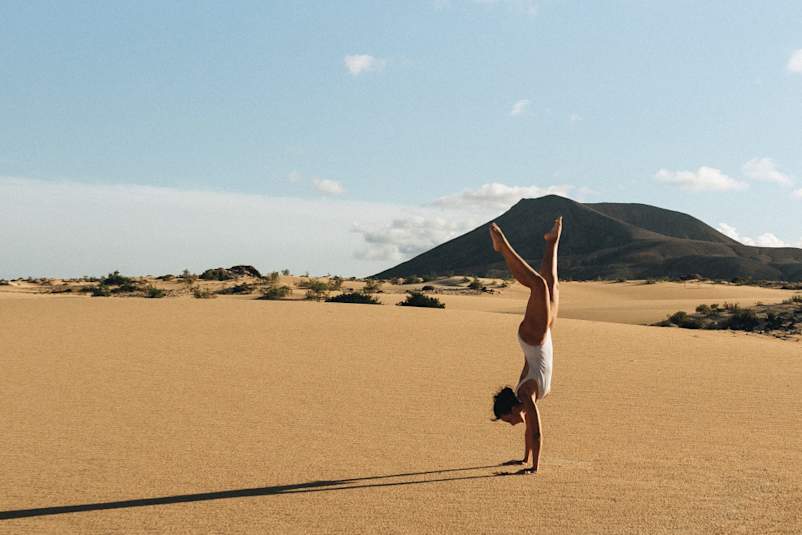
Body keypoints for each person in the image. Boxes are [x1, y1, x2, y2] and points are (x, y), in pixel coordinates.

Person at [488, 216, 562, 475]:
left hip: (533, 337)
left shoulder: (526, 395)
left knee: (538, 286)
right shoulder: (525, 398)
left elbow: (538, 431)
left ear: (512, 409)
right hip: (544, 333)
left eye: (507, 419)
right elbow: (531, 430)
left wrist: (534, 468)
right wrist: (524, 458)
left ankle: (503, 247)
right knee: (550, 282)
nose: (511, 424)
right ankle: (552, 242)